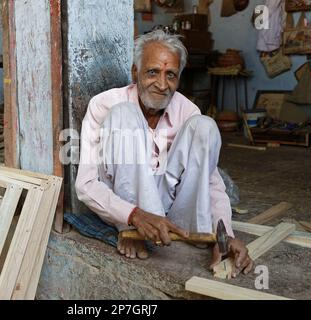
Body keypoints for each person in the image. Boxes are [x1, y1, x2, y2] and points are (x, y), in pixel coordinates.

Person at [75, 30, 254, 276]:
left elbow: (211, 182)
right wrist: (133, 216)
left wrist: (224, 235)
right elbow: (85, 185)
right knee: (123, 114)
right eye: (152, 72)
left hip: (170, 203)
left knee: (205, 126)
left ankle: (193, 231)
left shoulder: (187, 110)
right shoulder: (104, 104)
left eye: (170, 75)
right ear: (134, 72)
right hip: (126, 210)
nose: (161, 84)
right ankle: (135, 232)